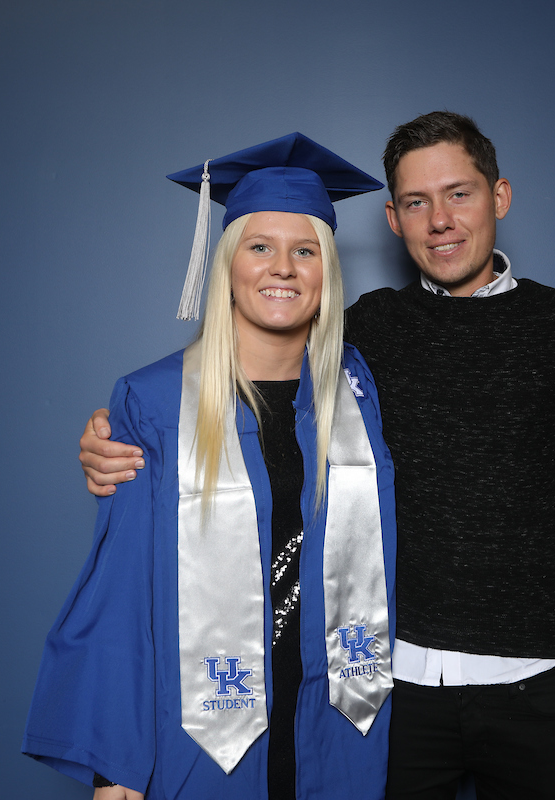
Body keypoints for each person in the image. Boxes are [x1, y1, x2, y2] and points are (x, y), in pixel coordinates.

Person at [79, 113, 555, 799]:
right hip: (396, 687)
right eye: (417, 202)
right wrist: (112, 441)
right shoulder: (368, 335)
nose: (439, 219)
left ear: (499, 196)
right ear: (393, 218)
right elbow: (257, 358)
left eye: (459, 194)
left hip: (515, 683)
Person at [24, 133, 397, 800]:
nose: (283, 267)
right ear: (227, 263)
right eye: (260, 246)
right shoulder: (156, 403)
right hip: (203, 734)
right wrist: (116, 776)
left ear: (327, 270)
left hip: (337, 731)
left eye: (304, 250)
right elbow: (121, 601)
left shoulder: (357, 392)